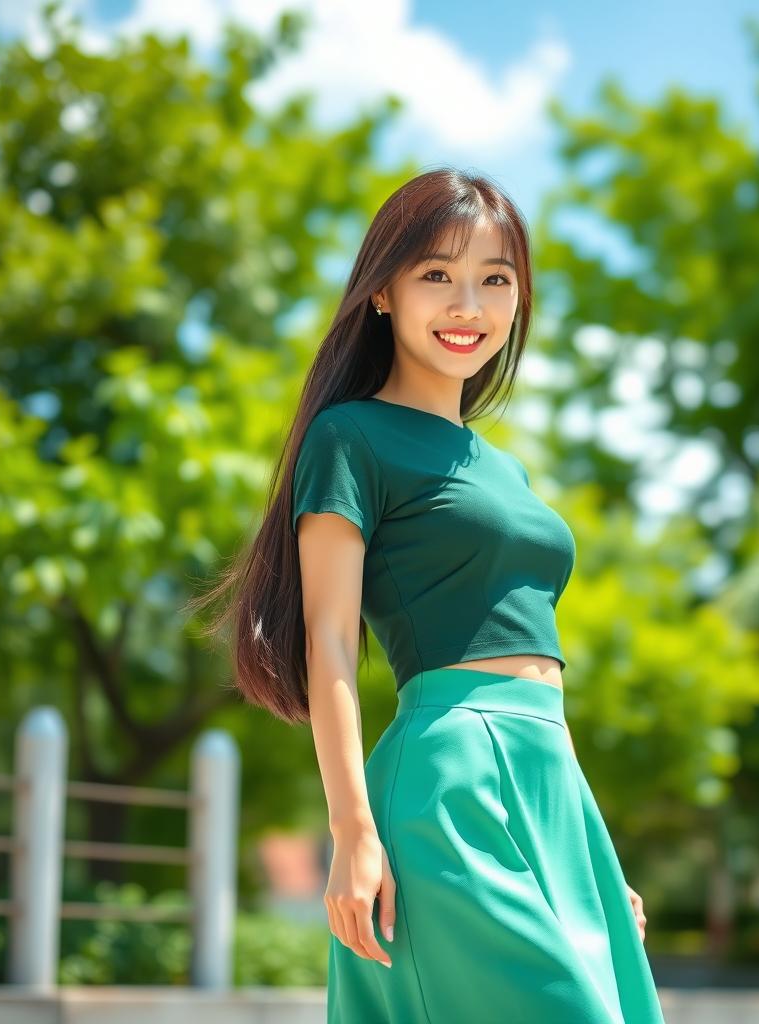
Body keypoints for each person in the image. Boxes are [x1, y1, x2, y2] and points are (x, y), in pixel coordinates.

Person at [202, 167, 665, 1022]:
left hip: (546, 770)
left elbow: (536, 680)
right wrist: (351, 833)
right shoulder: (351, 438)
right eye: (437, 276)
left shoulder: (506, 469)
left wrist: (593, 858)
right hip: (449, 773)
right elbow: (330, 640)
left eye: (495, 280)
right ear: (382, 292)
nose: (468, 305)